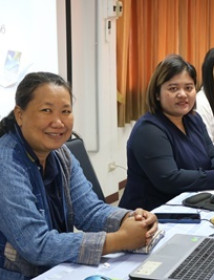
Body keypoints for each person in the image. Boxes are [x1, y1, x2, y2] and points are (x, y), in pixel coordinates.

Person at [0, 72, 158, 279]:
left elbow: (89, 211)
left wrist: (132, 219)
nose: (58, 122)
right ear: (20, 115)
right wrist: (121, 239)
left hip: (56, 269)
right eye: (46, 110)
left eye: (66, 111)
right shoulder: (6, 160)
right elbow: (36, 245)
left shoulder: (61, 154)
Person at [118, 55, 214, 211]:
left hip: (191, 203)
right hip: (150, 215)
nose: (183, 94)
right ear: (157, 94)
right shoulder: (148, 129)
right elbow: (169, 179)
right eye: (173, 88)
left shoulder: (193, 119)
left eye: (188, 88)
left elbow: (213, 158)